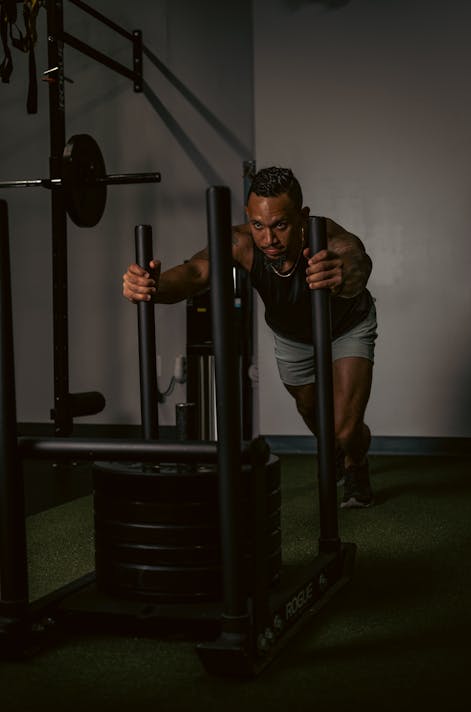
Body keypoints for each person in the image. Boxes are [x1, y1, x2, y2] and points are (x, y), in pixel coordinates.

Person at [122, 167, 377, 508]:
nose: (269, 239)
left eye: (280, 225)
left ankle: (355, 463)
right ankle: (336, 451)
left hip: (347, 327)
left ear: (301, 217)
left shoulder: (325, 236)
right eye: (259, 225)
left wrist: (343, 273)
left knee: (345, 430)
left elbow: (356, 259)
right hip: (292, 337)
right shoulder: (241, 243)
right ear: (248, 217)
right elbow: (197, 271)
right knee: (312, 411)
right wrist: (153, 286)